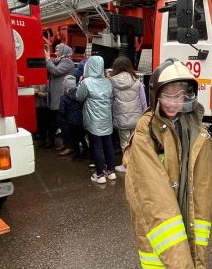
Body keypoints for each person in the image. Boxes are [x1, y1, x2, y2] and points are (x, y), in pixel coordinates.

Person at [123, 59, 212, 269]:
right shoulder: (146, 129)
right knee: (159, 248)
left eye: (180, 95)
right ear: (156, 95)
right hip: (157, 205)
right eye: (168, 95)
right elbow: (149, 184)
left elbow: (205, 181)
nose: (175, 102)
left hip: (189, 202)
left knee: (191, 241)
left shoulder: (198, 128)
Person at [75, 55, 116, 183]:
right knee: (108, 144)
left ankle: (100, 174)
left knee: (97, 146)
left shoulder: (86, 82)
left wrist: (80, 83)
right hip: (106, 117)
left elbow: (79, 97)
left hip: (93, 118)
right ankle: (111, 171)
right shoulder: (108, 81)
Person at [109, 55, 147, 173]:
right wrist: (144, 115)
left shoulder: (111, 82)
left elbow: (110, 101)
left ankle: (126, 165)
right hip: (136, 118)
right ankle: (137, 164)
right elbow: (143, 100)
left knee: (125, 142)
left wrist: (111, 115)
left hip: (121, 118)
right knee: (135, 142)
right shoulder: (137, 81)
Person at [45, 42, 75, 150]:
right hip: (57, 97)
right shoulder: (59, 61)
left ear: (63, 51)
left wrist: (48, 59)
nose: (56, 51)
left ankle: (70, 145)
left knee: (63, 122)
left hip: (62, 97)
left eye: (58, 49)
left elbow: (55, 71)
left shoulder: (67, 61)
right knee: (60, 122)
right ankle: (67, 143)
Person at [56, 75, 89, 159]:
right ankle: (85, 151)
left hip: (71, 122)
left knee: (74, 138)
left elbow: (62, 111)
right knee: (81, 137)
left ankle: (78, 154)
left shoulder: (64, 97)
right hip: (81, 121)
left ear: (65, 86)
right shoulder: (80, 95)